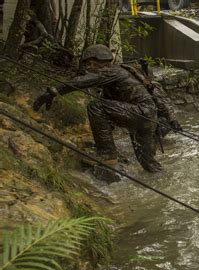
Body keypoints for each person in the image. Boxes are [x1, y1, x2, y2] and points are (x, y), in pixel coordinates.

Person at [33, 44, 165, 173]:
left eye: (89, 64)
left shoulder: (112, 71)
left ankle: (107, 155)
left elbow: (81, 81)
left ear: (99, 61)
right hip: (147, 117)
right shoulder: (115, 76)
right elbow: (109, 115)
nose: (88, 68)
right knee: (148, 163)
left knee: (96, 106)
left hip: (140, 112)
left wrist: (54, 91)